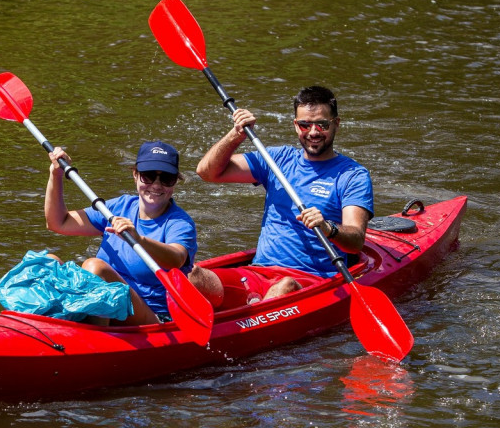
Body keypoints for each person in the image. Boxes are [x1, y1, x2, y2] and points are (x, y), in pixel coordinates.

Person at [192, 85, 374, 305]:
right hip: (259, 272)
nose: (313, 132)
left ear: (336, 124)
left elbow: (355, 241)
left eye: (322, 124)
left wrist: (328, 228)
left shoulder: (352, 175)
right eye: (305, 125)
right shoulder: (277, 160)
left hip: (310, 280)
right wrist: (235, 135)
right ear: (296, 126)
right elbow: (207, 172)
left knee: (284, 286)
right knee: (194, 276)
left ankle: (253, 321)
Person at [44, 141, 198, 326]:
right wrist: (56, 174)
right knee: (48, 262)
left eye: (166, 179)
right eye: (148, 176)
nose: (156, 185)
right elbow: (58, 223)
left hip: (152, 315)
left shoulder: (179, 223)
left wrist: (139, 239)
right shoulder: (119, 207)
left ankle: (95, 342)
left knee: (96, 268)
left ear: (175, 182)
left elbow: (176, 258)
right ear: (135, 175)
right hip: (105, 302)